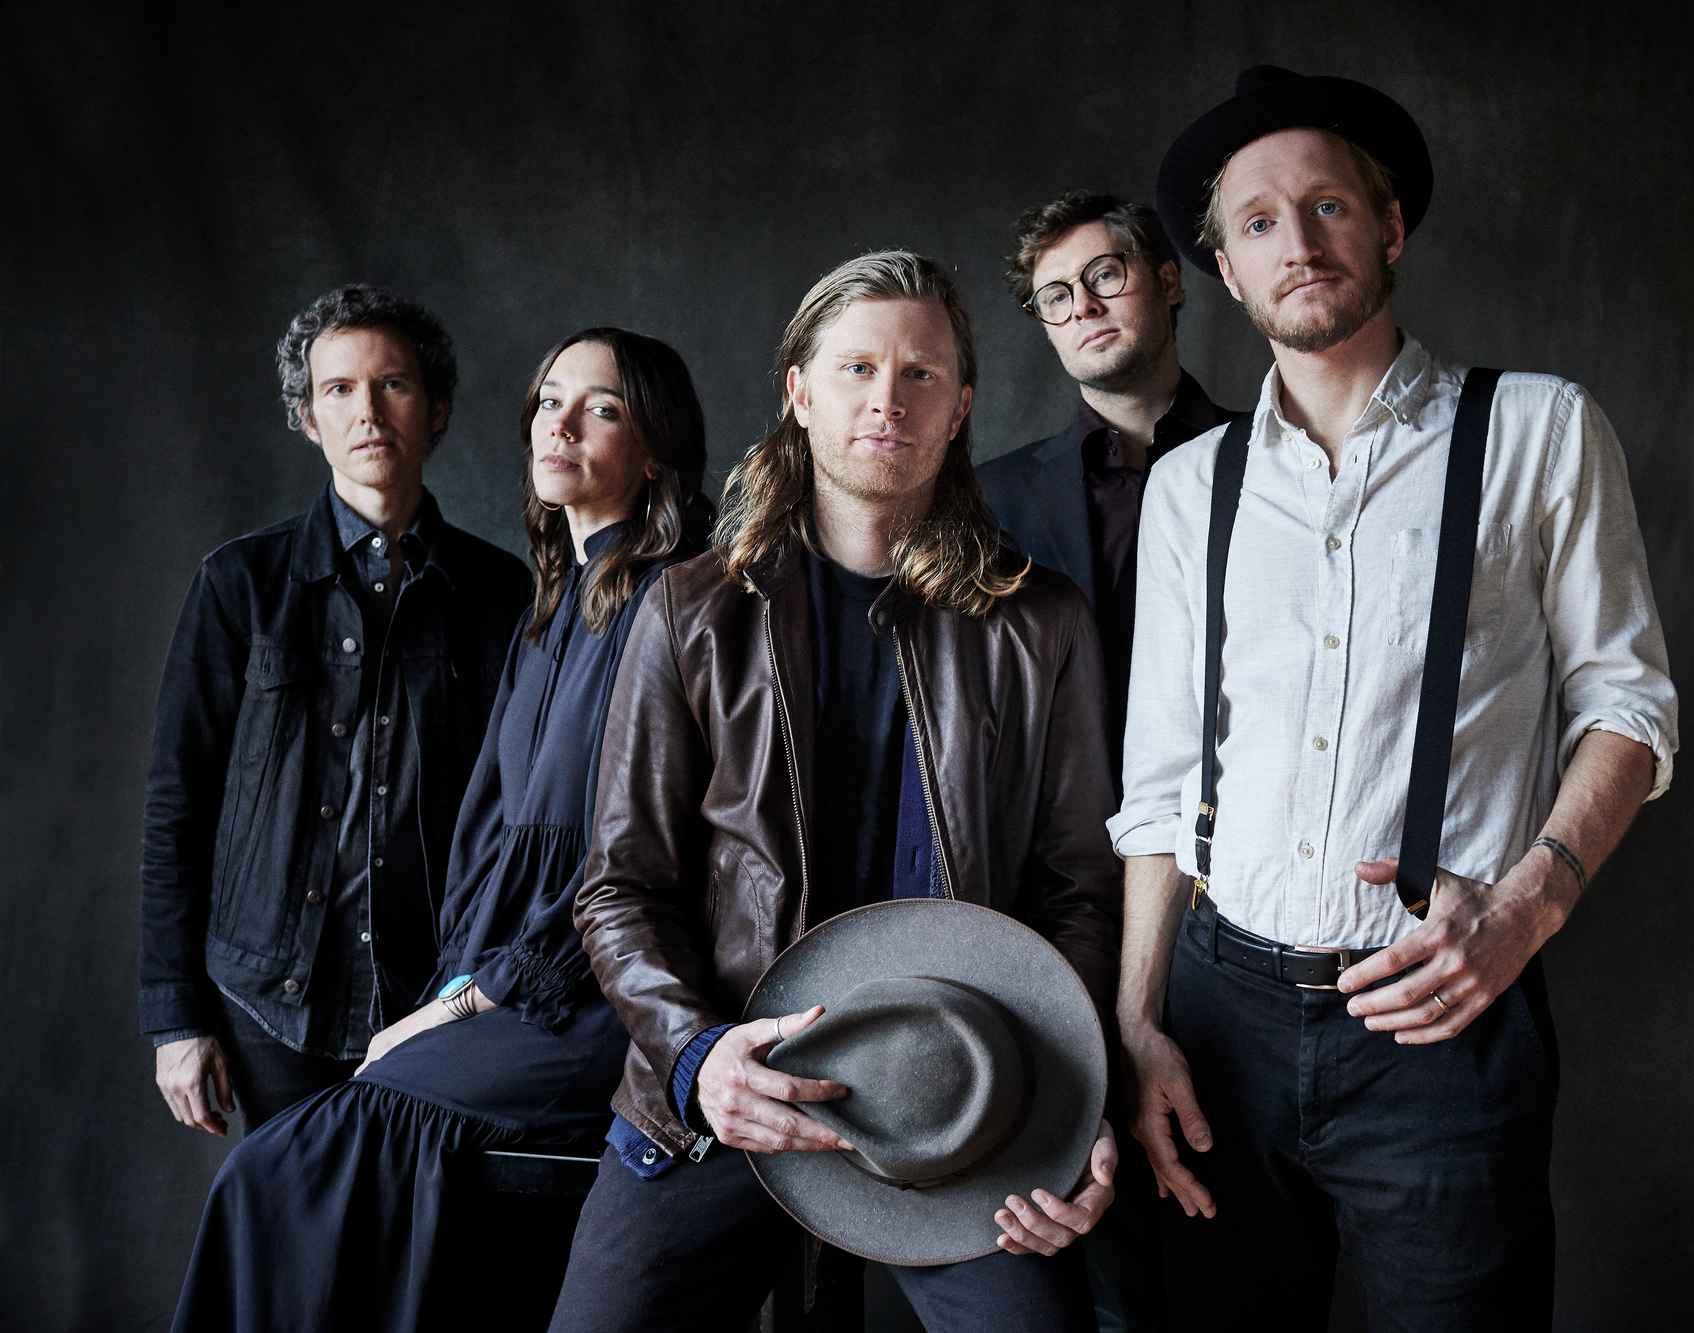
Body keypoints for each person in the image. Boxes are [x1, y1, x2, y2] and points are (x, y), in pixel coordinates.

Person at [1112, 67, 1679, 1330]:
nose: (1298, 241)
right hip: (1216, 1021)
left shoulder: (1537, 428)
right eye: (1259, 220)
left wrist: (1525, 910)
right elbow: (1158, 782)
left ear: (1389, 226)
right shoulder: (1190, 486)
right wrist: (1138, 1024)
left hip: (1441, 1021)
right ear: (1223, 267)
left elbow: (1628, 710)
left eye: (1327, 205)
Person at [547, 251, 1123, 1333]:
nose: (886, 399)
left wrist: (1071, 1098)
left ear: (960, 407)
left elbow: (1080, 890)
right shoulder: (689, 610)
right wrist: (697, 1058)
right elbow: (620, 887)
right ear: (799, 392)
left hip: (962, 1093)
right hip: (734, 1079)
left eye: (920, 373)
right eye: (857, 367)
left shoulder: (1041, 622)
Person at [167, 328, 716, 1332]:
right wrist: (454, 991)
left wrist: (457, 1004)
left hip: (594, 1002)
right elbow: (496, 844)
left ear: (655, 452)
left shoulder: (665, 602)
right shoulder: (554, 603)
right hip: (483, 986)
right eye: (549, 401)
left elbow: (629, 864)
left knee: (280, 1173)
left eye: (600, 408)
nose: (559, 424)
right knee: (314, 1184)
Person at [142, 284, 532, 1134]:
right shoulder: (239, 585)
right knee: (290, 1218)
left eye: (393, 384)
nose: (368, 412)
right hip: (267, 1001)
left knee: (423, 1219)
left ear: (436, 408)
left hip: (437, 999)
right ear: (308, 419)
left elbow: (519, 811)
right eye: (339, 389)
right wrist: (176, 1018)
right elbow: (179, 804)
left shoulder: (500, 593)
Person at [979, 193, 1238, 783]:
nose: (1083, 308)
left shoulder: (1274, 457)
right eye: (1056, 297)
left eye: (1103, 275)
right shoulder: (992, 499)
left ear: (1168, 282)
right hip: (1063, 823)